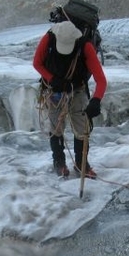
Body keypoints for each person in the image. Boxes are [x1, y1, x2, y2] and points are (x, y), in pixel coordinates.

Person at [33, 20, 107, 179]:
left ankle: (81, 165)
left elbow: (101, 80)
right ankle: (59, 162)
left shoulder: (85, 46)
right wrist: (52, 79)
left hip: (77, 88)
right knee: (56, 125)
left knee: (82, 128)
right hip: (53, 89)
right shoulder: (49, 39)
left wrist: (96, 100)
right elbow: (37, 63)